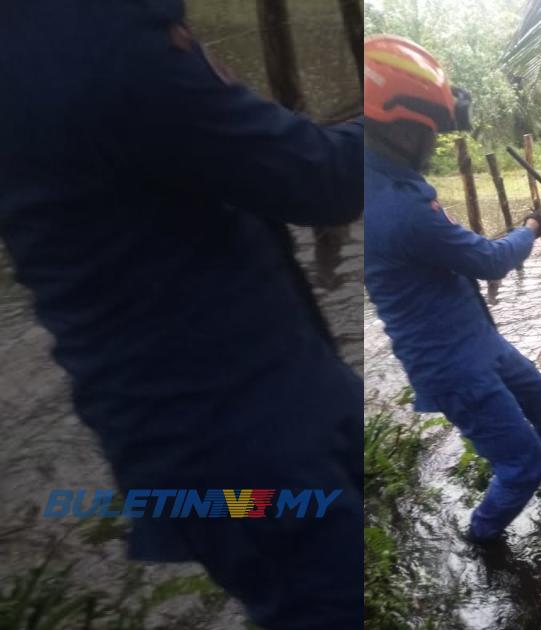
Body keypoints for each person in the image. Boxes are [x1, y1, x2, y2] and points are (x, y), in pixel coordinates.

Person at [0, 2, 364, 628]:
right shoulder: (95, 35)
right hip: (236, 442)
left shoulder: (50, 32)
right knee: (321, 602)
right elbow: (316, 179)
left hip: (216, 416)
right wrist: (405, 121)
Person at [363, 35, 541, 545]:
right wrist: (530, 228)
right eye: (431, 131)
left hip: (472, 337)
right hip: (451, 361)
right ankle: (483, 539)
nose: (434, 142)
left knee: (536, 388)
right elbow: (489, 261)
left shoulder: (384, 182)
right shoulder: (399, 209)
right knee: (523, 466)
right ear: (401, 127)